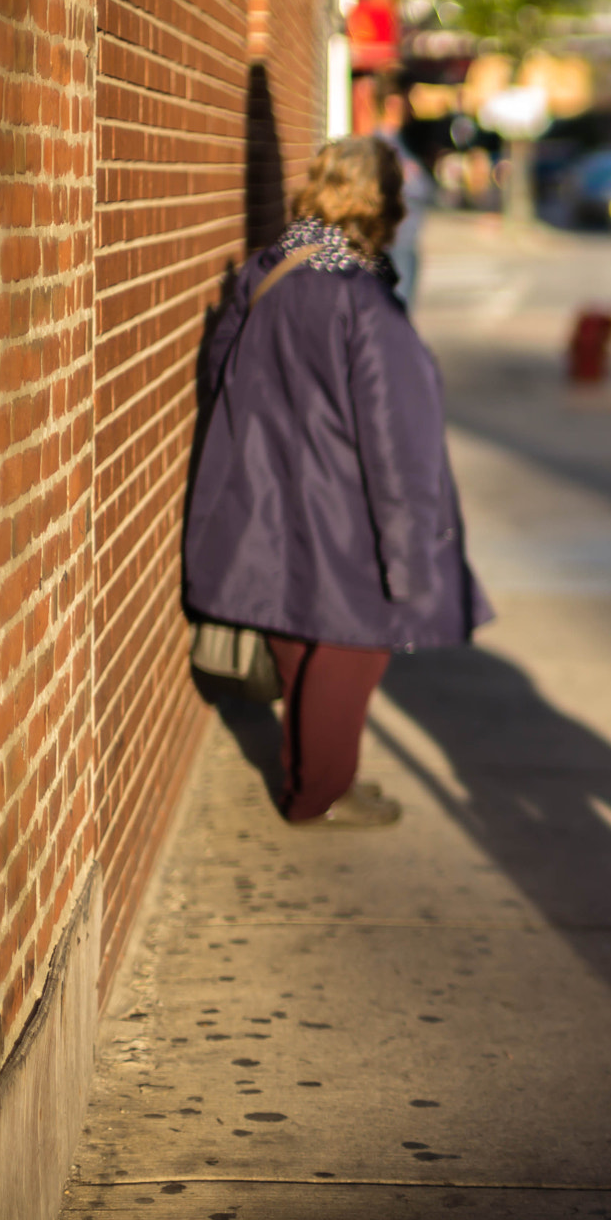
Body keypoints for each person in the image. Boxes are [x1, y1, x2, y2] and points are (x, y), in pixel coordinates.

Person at [184, 137, 491, 827]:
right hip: (348, 508)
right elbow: (400, 444)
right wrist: (412, 564)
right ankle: (317, 792)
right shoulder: (364, 302)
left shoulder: (270, 270)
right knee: (354, 646)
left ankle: (321, 778)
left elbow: (218, 378)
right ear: (385, 204)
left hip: (270, 491)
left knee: (297, 632)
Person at [368, 72, 432, 306]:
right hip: (395, 245)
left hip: (405, 241)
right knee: (396, 314)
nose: (411, 107)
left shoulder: (399, 142)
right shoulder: (383, 146)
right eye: (408, 99)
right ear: (394, 102)